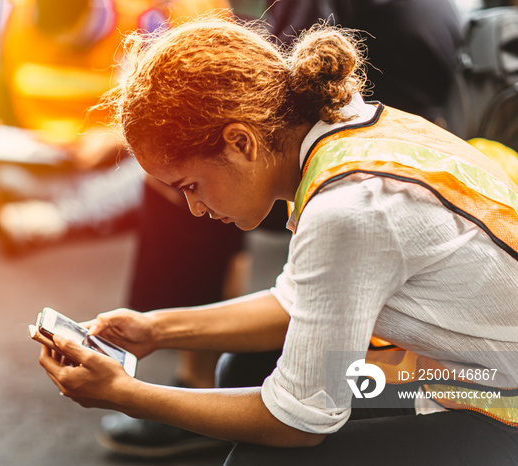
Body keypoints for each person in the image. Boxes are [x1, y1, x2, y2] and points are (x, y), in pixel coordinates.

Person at [31, 15, 518, 464]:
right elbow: (296, 301)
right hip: (463, 365)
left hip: (497, 393)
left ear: (241, 142)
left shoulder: (347, 209)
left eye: (190, 187)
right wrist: (155, 330)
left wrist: (125, 396)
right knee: (243, 369)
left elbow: (296, 421)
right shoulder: (339, 129)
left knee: (261, 458)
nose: (194, 209)